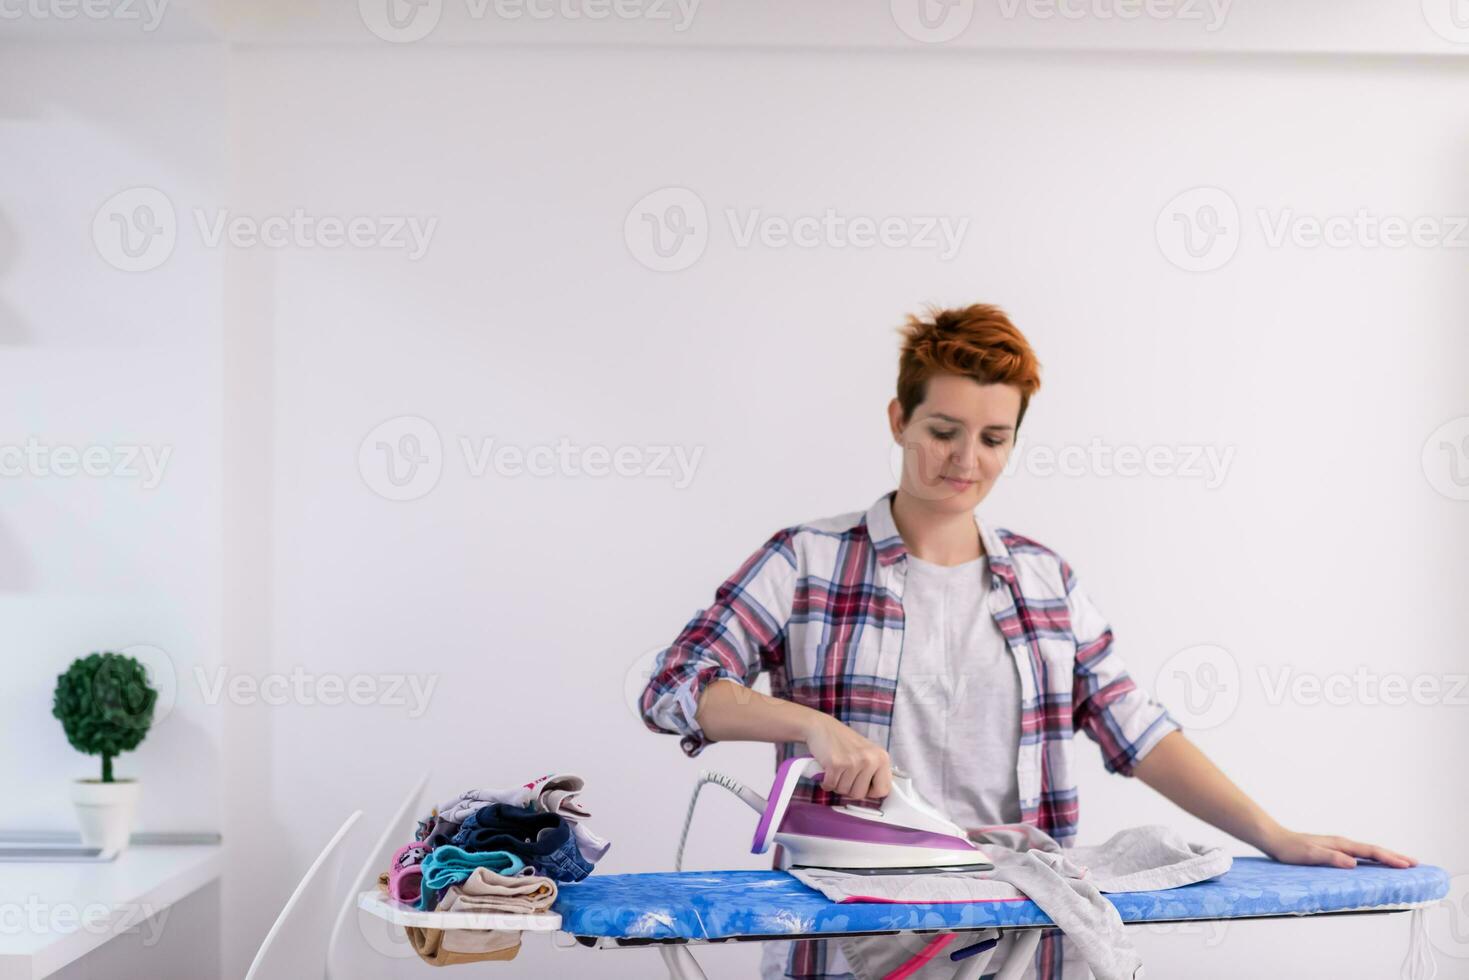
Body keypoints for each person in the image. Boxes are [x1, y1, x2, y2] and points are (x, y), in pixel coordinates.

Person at [639, 303, 1416, 979]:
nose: (965, 460)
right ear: (897, 419)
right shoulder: (805, 561)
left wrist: (1272, 835)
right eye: (943, 430)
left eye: (992, 437)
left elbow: (1135, 731)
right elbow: (672, 687)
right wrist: (809, 725)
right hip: (854, 939)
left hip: (1021, 937)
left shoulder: (1045, 583)